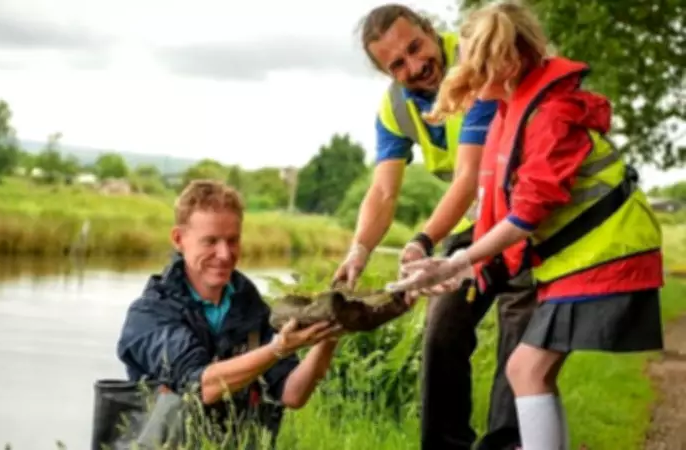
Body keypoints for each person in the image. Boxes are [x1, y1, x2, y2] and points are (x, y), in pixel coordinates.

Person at [388, 1, 665, 449]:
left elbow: (524, 218)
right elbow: (501, 216)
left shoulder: (550, 115)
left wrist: (457, 258)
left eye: (477, 71)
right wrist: (464, 270)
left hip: (606, 260)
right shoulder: (515, 109)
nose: (471, 85)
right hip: (583, 262)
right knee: (527, 370)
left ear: (506, 63)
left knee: (528, 370)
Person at [333, 4, 536, 449]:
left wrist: (422, 241)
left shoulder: (476, 60)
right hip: (476, 220)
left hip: (525, 215)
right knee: (444, 324)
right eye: (397, 64)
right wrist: (358, 251)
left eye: (416, 47)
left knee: (518, 327)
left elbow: (467, 178)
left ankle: (508, 443)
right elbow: (383, 192)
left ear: (430, 31)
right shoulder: (394, 108)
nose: (415, 65)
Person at [114, 179, 341, 449]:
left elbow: (293, 394)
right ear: (178, 239)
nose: (224, 254)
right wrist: (278, 348)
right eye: (210, 241)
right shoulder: (149, 314)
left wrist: (331, 333)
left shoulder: (253, 309)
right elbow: (201, 387)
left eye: (232, 240)